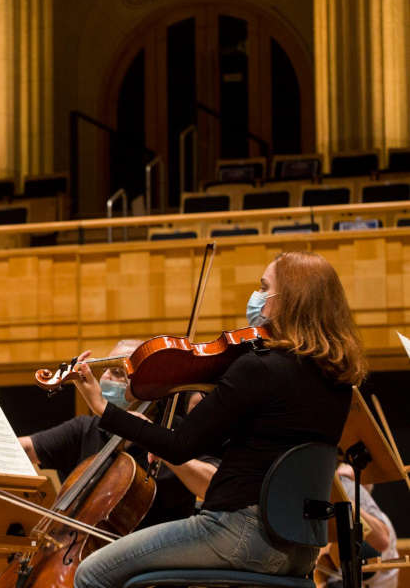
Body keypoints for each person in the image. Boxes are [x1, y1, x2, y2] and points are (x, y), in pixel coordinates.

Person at [71, 251, 367, 588]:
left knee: (92, 572)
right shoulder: (338, 384)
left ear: (289, 299)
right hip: (299, 549)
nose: (257, 297)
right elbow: (264, 442)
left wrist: (102, 408)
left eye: (264, 287)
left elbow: (179, 446)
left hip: (238, 533)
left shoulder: (259, 367)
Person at [20, 341, 219, 530]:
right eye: (105, 370)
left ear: (149, 386)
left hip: (156, 550)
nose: (105, 378)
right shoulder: (85, 428)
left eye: (116, 373)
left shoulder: (176, 430)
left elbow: (213, 486)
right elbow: (26, 448)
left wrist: (158, 442)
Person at [314, 464, 398, 588]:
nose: (344, 486)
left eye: (347, 482)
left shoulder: (380, 523)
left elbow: (381, 542)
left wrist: (345, 500)